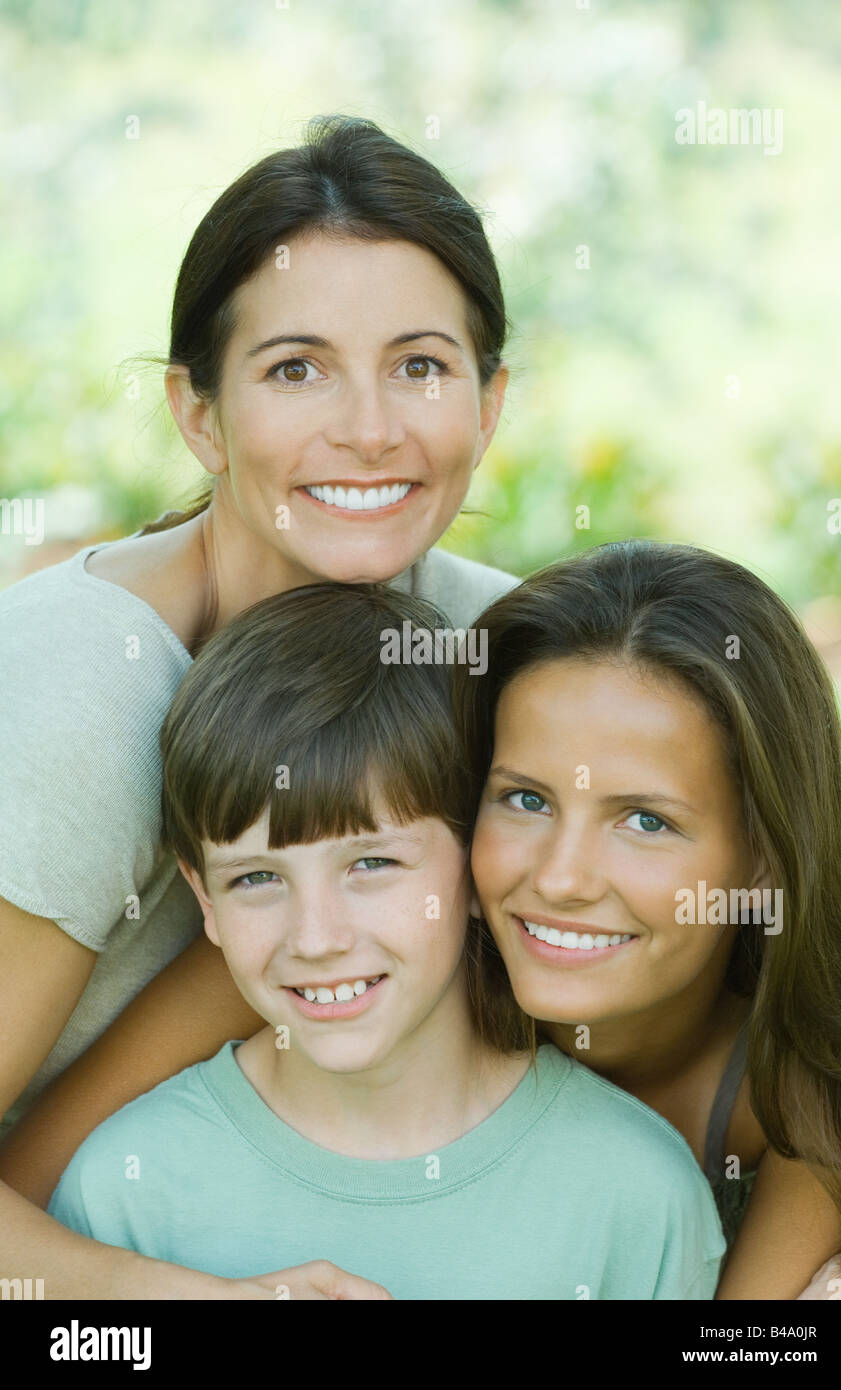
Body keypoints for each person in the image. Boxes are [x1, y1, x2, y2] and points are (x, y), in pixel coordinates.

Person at [0, 114, 517, 1298]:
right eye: (296, 368)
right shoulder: (79, 692)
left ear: (489, 403)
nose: (371, 428)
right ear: (197, 413)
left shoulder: (490, 644)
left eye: (421, 365)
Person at [47, 583, 726, 1299]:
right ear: (203, 899)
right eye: (255, 879)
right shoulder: (125, 1186)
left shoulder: (637, 1194)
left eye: (371, 864)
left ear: (473, 864)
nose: (315, 938)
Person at [455, 539, 841, 1301]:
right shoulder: (353, 945)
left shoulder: (814, 1086)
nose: (560, 878)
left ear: (764, 857)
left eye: (644, 821)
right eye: (525, 799)